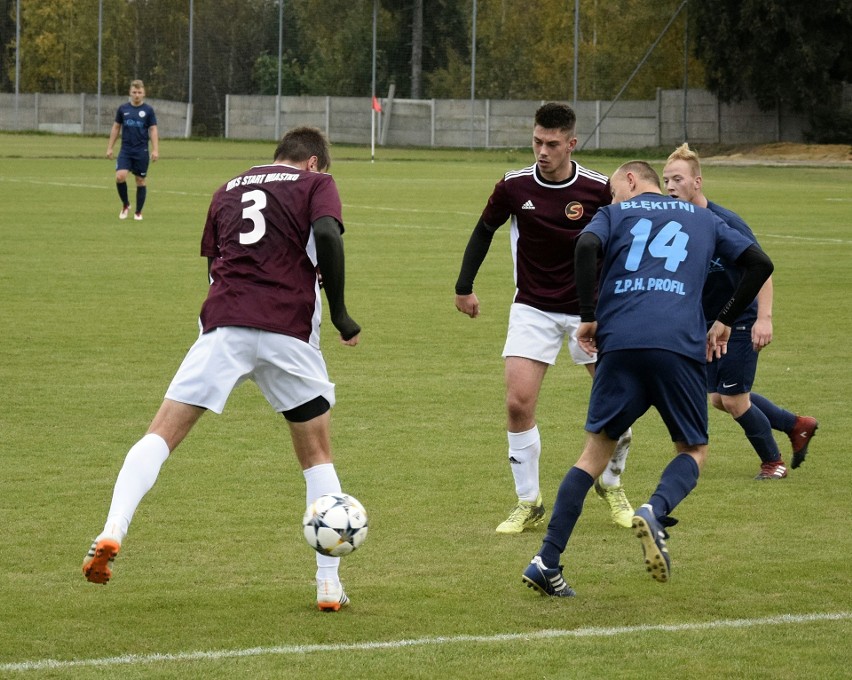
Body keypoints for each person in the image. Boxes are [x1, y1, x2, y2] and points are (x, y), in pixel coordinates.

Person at [83, 126, 362, 612]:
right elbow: (325, 233)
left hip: (225, 323)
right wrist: (339, 312)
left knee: (160, 435)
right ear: (315, 162)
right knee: (317, 455)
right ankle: (327, 583)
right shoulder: (317, 184)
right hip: (287, 330)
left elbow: (213, 267)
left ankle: (112, 530)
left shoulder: (226, 188)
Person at [522, 161, 774, 596]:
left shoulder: (615, 214)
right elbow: (759, 262)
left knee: (592, 456)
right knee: (693, 449)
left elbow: (584, 248)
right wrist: (725, 320)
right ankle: (654, 509)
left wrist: (587, 317)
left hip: (619, 341)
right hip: (677, 341)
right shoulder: (706, 217)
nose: (613, 198)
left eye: (615, 190)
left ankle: (547, 560)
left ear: (633, 181)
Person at [454, 102, 634, 533]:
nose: (542, 151)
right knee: (518, 404)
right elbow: (484, 230)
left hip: (591, 313)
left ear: (571, 143)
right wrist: (464, 286)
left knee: (622, 404)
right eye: (537, 141)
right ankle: (528, 500)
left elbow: (626, 240)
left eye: (552, 144)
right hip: (532, 307)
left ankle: (611, 483)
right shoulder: (514, 187)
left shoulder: (597, 189)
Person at [663, 144, 817, 479]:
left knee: (733, 400)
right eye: (666, 180)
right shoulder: (678, 225)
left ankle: (773, 463)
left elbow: (761, 269)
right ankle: (797, 425)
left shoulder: (724, 223)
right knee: (720, 398)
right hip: (708, 324)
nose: (670, 186)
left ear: (698, 182)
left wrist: (765, 318)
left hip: (741, 320)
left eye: (678, 179)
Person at [106, 79, 159, 221]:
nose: (136, 95)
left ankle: (138, 212)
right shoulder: (123, 109)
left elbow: (153, 130)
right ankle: (125, 204)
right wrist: (110, 147)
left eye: (139, 92)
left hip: (141, 151)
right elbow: (116, 128)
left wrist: (155, 149)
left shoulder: (148, 110)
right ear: (130, 92)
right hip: (126, 150)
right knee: (120, 176)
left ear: (144, 93)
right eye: (134, 92)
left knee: (140, 180)